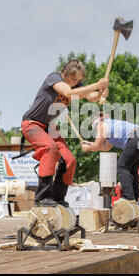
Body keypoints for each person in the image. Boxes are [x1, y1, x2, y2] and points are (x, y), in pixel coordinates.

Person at [21, 60, 109, 207]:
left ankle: (57, 198)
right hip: (32, 123)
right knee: (50, 148)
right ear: (65, 73)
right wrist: (96, 85)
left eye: (79, 81)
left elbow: (90, 96)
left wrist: (101, 92)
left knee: (69, 161)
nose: (75, 83)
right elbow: (69, 93)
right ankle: (42, 197)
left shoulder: (75, 85)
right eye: (73, 79)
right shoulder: (54, 78)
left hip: (48, 126)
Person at [81, 114, 139, 203]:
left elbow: (96, 146)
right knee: (132, 168)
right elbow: (106, 147)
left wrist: (87, 148)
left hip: (137, 136)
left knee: (122, 166)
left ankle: (128, 197)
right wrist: (89, 144)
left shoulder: (100, 124)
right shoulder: (111, 126)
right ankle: (134, 197)